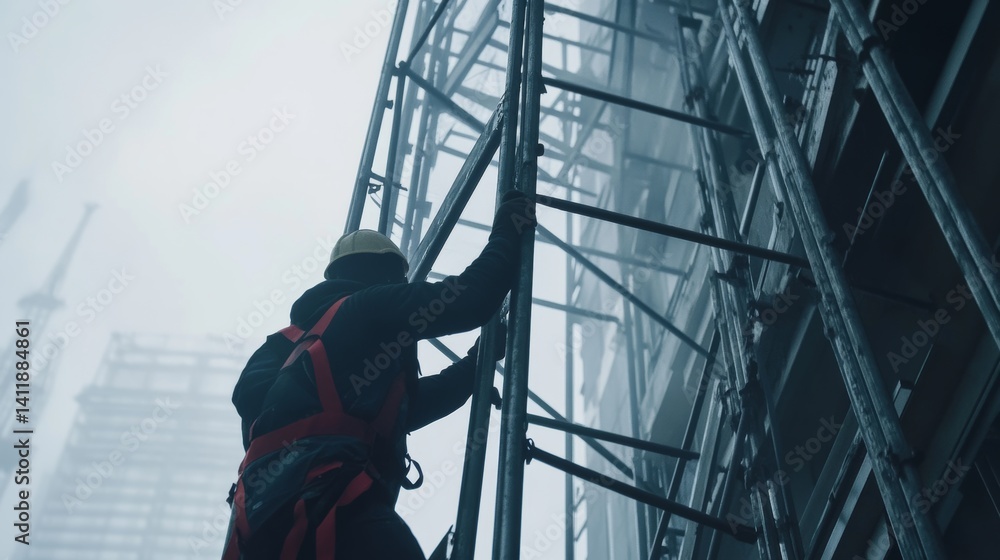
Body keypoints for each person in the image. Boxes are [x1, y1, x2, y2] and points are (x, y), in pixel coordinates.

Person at [223, 191, 535, 559]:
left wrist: (470, 368)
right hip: (336, 500)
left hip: (259, 527)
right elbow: (472, 298)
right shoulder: (365, 307)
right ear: (382, 272)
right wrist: (507, 228)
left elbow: (396, 412)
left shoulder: (280, 347)